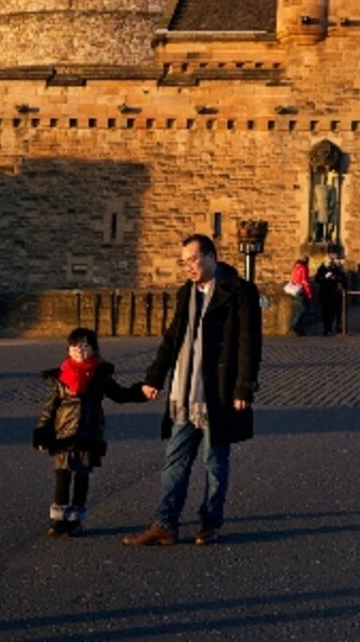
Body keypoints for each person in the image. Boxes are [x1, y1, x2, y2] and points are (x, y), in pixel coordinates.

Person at [124, 234, 262, 547]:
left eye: (194, 259)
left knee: (214, 462)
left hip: (218, 393)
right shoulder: (186, 292)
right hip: (183, 394)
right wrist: (154, 378)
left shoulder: (239, 291)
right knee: (174, 461)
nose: (188, 266)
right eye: (184, 261)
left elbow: (248, 344)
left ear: (212, 257)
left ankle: (210, 523)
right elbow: (173, 339)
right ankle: (164, 524)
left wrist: (244, 388)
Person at [33, 327, 147, 537]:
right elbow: (50, 407)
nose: (80, 350)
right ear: (69, 349)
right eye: (76, 346)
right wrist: (42, 432)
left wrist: (143, 391)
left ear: (94, 348)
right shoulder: (61, 376)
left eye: (85, 346)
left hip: (89, 431)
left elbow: (120, 395)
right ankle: (58, 520)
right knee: (62, 476)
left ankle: (75, 520)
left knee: (82, 476)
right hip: (63, 431)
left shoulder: (100, 375)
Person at [314, 253, 347, 336]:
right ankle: (326, 329)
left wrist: (334, 277)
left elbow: (341, 278)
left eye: (331, 262)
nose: (330, 264)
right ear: (325, 261)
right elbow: (317, 279)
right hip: (324, 293)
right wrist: (325, 277)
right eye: (329, 262)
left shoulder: (335, 269)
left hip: (333, 293)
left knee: (332, 312)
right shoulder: (321, 269)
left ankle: (330, 328)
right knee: (325, 312)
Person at [284, 258, 315, 335]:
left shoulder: (295, 268)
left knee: (298, 310)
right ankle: (294, 325)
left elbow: (292, 279)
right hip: (300, 291)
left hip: (294, 291)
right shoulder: (303, 268)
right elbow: (305, 282)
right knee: (303, 310)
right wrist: (309, 293)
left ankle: (300, 331)